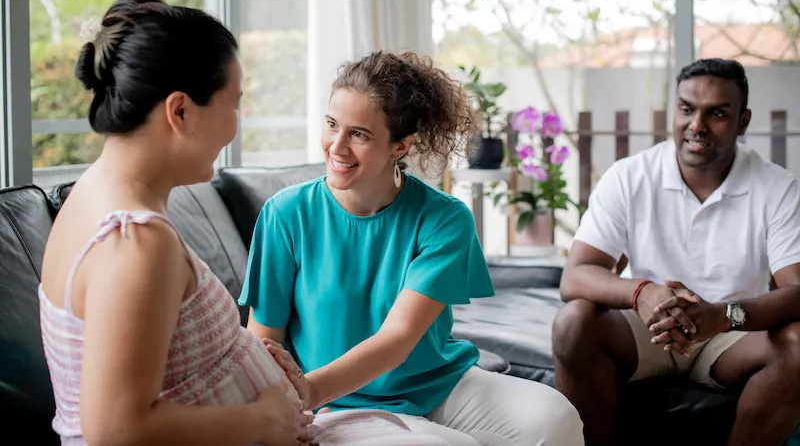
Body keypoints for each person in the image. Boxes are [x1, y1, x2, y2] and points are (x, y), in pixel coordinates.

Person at [38, 0, 444, 446]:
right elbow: (115, 429)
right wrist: (263, 421)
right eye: (233, 104)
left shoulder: (96, 196)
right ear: (181, 111)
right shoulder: (135, 241)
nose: (236, 125)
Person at [238, 50, 585, 446]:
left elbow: (397, 340)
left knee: (556, 417)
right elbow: (264, 341)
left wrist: (308, 390)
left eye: (359, 134)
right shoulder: (286, 214)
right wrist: (286, 404)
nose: (337, 146)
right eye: (332, 124)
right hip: (335, 402)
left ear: (400, 147)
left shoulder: (444, 217)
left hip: (436, 384)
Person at [552, 58, 800, 446]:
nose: (697, 125)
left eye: (717, 113)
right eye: (687, 109)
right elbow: (577, 274)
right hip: (649, 326)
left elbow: (796, 291)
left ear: (743, 121)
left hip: (729, 334)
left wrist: (720, 316)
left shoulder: (778, 188)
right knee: (573, 322)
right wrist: (642, 292)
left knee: (799, 344)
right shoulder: (630, 176)